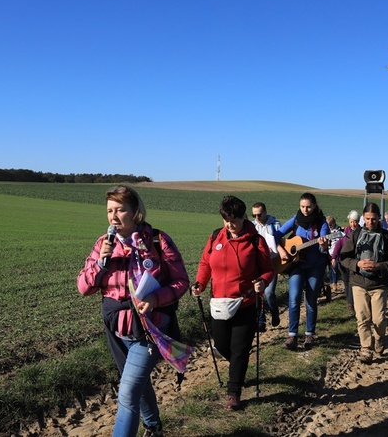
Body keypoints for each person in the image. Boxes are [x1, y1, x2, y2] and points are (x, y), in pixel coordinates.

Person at [77, 185, 189, 437]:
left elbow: (181, 281)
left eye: (120, 210)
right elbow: (84, 287)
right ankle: (154, 427)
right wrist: (99, 263)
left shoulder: (157, 241)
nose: (113, 217)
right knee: (138, 384)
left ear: (135, 211)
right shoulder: (102, 244)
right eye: (109, 211)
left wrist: (155, 298)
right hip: (117, 330)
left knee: (127, 392)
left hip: (149, 329)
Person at [192, 196, 274, 410]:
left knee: (240, 349)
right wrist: (200, 283)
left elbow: (268, 270)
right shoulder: (215, 238)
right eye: (225, 220)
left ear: (243, 217)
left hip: (245, 302)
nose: (230, 225)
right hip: (219, 304)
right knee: (222, 345)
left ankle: (234, 392)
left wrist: (262, 282)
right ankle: (238, 368)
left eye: (234, 220)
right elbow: (205, 263)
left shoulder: (256, 240)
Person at [339, 203, 388, 364]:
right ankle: (366, 349)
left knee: (379, 319)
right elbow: (344, 257)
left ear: (378, 218)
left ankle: (379, 337)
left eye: (373, 219)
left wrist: (379, 266)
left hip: (379, 284)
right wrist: (357, 264)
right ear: (363, 218)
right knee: (362, 318)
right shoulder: (355, 234)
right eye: (367, 219)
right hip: (358, 282)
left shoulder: (387, 236)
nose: (370, 222)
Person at [274, 192, 331, 350]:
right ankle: (292, 336)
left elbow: (324, 247)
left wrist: (323, 244)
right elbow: (276, 235)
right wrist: (281, 250)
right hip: (297, 265)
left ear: (314, 206)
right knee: (294, 298)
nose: (305, 210)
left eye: (308, 207)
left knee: (311, 300)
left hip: (315, 266)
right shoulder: (296, 220)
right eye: (302, 207)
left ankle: (309, 334)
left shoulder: (321, 223)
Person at [251, 202, 281, 331]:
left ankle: (274, 312)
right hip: (256, 265)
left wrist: (274, 251)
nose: (257, 217)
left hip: (271, 264)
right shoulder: (252, 226)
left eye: (259, 214)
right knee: (258, 293)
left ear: (265, 212)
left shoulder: (275, 224)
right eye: (254, 215)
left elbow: (282, 243)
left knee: (269, 293)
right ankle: (261, 321)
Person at [330, 210, 359, 316]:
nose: (353, 224)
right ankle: (350, 304)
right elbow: (338, 244)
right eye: (351, 221)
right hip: (343, 262)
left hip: (355, 262)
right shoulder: (344, 232)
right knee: (347, 283)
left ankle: (355, 303)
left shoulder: (361, 232)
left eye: (355, 221)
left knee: (353, 283)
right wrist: (334, 257)